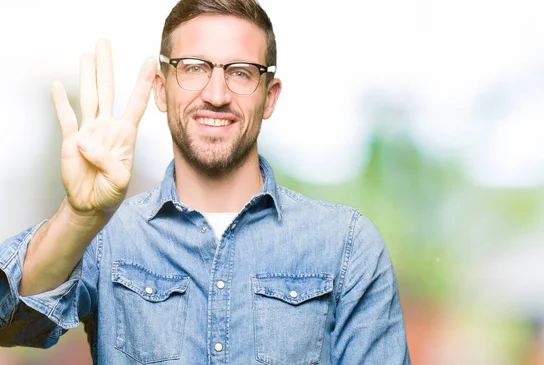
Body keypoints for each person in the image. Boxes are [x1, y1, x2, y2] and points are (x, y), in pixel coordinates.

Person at [0, 0, 411, 364]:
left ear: (270, 95)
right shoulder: (108, 236)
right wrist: (79, 216)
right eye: (194, 68)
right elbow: (12, 326)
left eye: (241, 72)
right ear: (161, 89)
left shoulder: (347, 245)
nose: (216, 93)